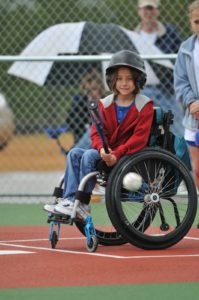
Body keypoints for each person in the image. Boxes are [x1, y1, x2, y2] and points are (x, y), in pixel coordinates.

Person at [43, 50, 154, 218]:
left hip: (128, 156)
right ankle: (70, 200)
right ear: (112, 81)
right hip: (107, 153)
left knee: (88, 156)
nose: (124, 83)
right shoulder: (104, 104)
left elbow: (139, 139)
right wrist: (102, 150)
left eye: (129, 79)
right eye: (119, 79)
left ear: (138, 80)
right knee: (74, 153)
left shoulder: (144, 105)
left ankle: (83, 205)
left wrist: (115, 154)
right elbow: (95, 134)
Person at [134, 0, 184, 136]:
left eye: (151, 8)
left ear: (157, 11)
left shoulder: (170, 33)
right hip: (142, 90)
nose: (148, 12)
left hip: (166, 89)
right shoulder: (133, 36)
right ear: (139, 11)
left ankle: (182, 157)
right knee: (140, 131)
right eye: (145, 9)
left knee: (177, 130)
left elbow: (181, 59)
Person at [174, 0, 199, 191]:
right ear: (190, 22)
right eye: (197, 22)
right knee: (198, 170)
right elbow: (180, 82)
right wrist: (191, 103)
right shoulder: (185, 49)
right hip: (194, 117)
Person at [66, 70, 105, 149]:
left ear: (100, 90)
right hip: (84, 140)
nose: (90, 93)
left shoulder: (106, 103)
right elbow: (70, 121)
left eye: (94, 89)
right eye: (87, 90)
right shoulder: (80, 104)